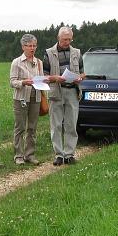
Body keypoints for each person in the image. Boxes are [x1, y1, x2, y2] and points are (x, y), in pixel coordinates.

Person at [44, 26, 85, 166]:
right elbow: (44, 75)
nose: (67, 42)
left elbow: (82, 72)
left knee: (71, 124)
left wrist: (80, 77)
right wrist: (55, 77)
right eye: (64, 39)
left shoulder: (77, 52)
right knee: (56, 125)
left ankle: (69, 154)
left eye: (69, 39)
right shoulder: (48, 53)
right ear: (58, 38)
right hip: (56, 91)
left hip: (72, 91)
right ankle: (58, 155)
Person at [9, 33, 43, 165]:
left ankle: (30, 154)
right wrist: (24, 83)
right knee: (20, 127)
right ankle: (18, 155)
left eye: (34, 46)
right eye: (29, 46)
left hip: (36, 97)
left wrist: (43, 82)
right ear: (23, 47)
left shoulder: (39, 62)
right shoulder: (16, 62)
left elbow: (41, 79)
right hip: (21, 98)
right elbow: (12, 82)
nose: (32, 48)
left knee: (32, 128)